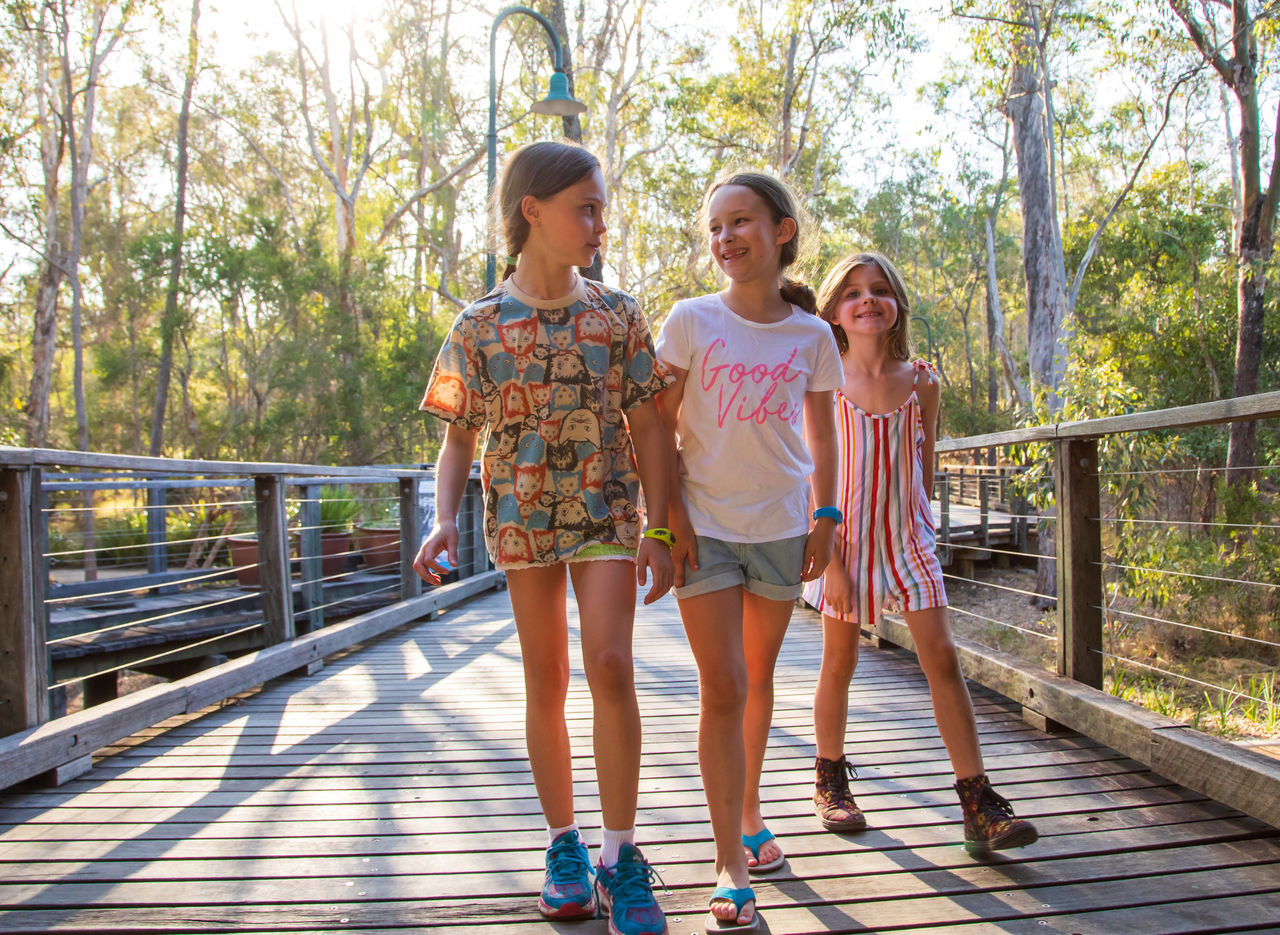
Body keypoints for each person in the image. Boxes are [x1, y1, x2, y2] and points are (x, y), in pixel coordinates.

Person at [414, 139, 674, 935]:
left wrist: (660, 524)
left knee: (610, 664)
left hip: (605, 510)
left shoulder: (618, 313)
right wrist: (439, 518)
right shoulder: (479, 325)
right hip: (521, 516)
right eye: (584, 208)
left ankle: (620, 853)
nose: (598, 223)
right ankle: (563, 843)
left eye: (601, 209)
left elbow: (651, 428)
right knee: (547, 679)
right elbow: (458, 436)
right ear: (533, 210)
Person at [801, 250, 1038, 856]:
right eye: (852, 293)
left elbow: (923, 464)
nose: (867, 300)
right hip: (845, 546)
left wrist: (923, 529)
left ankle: (977, 801)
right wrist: (826, 556)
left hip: (909, 541)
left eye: (880, 289)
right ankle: (830, 778)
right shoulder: (823, 381)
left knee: (942, 656)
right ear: (833, 310)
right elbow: (812, 474)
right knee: (840, 661)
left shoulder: (923, 382)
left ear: (897, 303)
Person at [655, 171, 843, 932]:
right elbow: (656, 429)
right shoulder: (691, 322)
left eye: (741, 222)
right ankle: (729, 857)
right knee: (724, 684)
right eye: (715, 228)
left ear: (782, 231)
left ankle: (752, 806)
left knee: (758, 677)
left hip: (782, 526)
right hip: (704, 524)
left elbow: (825, 433)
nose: (726, 238)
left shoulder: (813, 335)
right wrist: (665, 516)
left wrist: (827, 516)